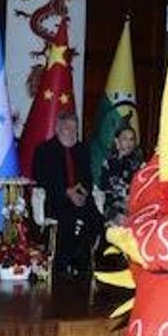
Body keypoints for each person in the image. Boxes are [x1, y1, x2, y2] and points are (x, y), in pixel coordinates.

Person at [32, 110, 103, 278]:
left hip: (81, 198)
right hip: (57, 198)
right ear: (57, 129)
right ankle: (62, 264)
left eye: (75, 130)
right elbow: (42, 178)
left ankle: (82, 261)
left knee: (97, 220)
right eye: (67, 129)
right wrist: (67, 193)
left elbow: (87, 177)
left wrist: (83, 193)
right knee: (68, 219)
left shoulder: (82, 149)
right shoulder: (44, 150)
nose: (71, 133)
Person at [99, 125, 143, 226]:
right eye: (125, 139)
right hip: (113, 204)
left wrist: (130, 201)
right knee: (121, 219)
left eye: (131, 139)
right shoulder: (108, 163)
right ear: (117, 141)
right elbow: (105, 187)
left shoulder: (140, 164)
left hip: (135, 204)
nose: (129, 143)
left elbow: (142, 187)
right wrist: (122, 202)